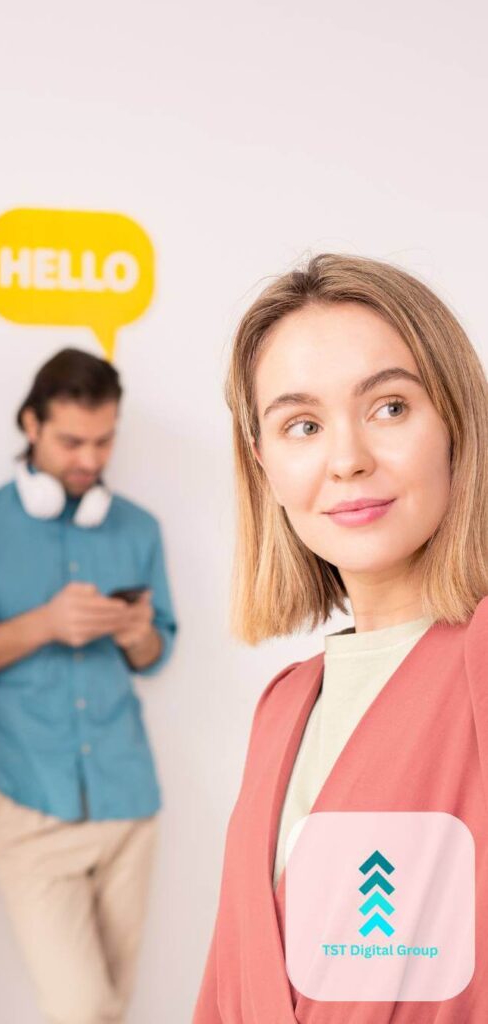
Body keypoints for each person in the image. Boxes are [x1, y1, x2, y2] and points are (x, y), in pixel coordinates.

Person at [193, 254, 488, 1022]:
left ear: (457, 420)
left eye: (389, 407)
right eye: (301, 425)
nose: (348, 458)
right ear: (263, 465)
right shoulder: (284, 706)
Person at [0, 347, 177, 1024]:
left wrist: (135, 635)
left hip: (128, 800)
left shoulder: (138, 527)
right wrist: (43, 623)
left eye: (103, 441)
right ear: (30, 424)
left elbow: (158, 651)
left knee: (110, 1009)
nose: (88, 460)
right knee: (82, 1006)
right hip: (31, 803)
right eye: (71, 441)